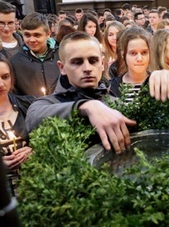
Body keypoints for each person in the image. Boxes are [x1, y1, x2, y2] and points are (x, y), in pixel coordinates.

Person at [25, 31, 137, 154]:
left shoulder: (114, 103)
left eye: (93, 60)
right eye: (77, 62)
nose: (87, 68)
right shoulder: (49, 103)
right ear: (62, 68)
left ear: (102, 63)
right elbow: (33, 118)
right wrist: (84, 106)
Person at [0, 56, 35, 196]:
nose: (1, 84)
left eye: (5, 77)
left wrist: (34, 150)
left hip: (33, 185)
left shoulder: (29, 105)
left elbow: (48, 139)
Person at [10, 12, 60, 97]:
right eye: (27, 35)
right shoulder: (15, 62)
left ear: (48, 34)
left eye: (37, 35)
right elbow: (15, 94)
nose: (32, 40)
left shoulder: (61, 55)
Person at [109, 27, 151, 102]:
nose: (139, 59)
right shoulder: (111, 87)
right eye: (133, 53)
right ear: (123, 55)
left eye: (144, 52)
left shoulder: (158, 83)